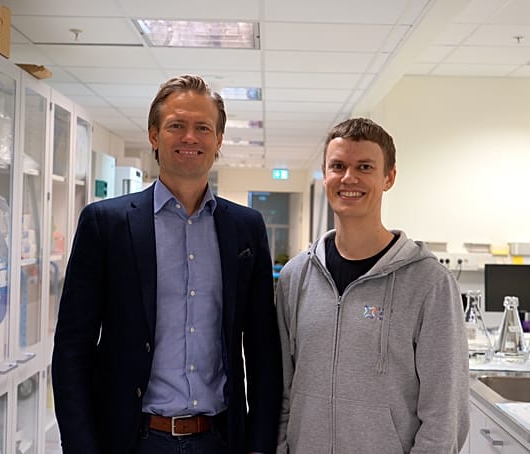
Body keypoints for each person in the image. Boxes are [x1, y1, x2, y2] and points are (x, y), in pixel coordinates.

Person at [52, 74, 282, 454]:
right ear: (154, 135)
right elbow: (72, 347)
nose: (190, 137)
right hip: (133, 440)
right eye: (176, 125)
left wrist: (259, 446)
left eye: (203, 127)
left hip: (220, 440)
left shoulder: (246, 229)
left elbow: (262, 350)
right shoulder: (105, 224)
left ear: (218, 140)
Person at [275, 118, 469, 453]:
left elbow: (444, 414)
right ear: (325, 175)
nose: (349, 178)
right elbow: (281, 389)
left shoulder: (429, 283)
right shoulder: (296, 277)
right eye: (338, 166)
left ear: (389, 177)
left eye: (364, 167)